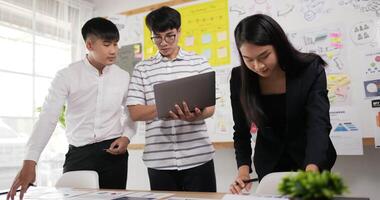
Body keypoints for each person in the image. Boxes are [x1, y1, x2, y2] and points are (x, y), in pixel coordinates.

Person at [7, 17, 136, 200]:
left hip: (114, 153)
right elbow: (48, 117)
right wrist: (30, 161)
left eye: (116, 44)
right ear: (90, 45)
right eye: (107, 44)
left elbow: (130, 111)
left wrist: (127, 136)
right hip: (79, 154)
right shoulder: (67, 75)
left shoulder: (123, 77)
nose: (114, 50)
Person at [229, 14, 337, 194]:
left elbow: (318, 124)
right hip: (270, 164)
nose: (258, 66)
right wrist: (243, 172)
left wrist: (311, 171)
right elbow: (240, 130)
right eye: (248, 59)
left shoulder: (310, 69)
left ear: (278, 45)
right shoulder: (239, 79)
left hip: (311, 158)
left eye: (264, 56)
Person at [126, 6, 217, 192]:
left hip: (198, 157)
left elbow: (210, 108)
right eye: (157, 37)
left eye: (170, 35)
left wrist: (194, 116)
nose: (163, 42)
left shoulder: (199, 62)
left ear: (179, 31)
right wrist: (168, 106)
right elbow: (135, 112)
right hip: (159, 160)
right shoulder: (142, 69)